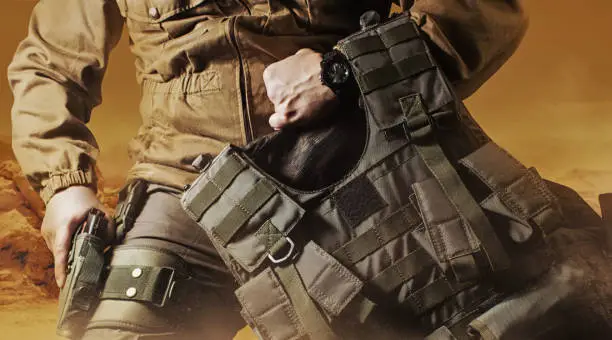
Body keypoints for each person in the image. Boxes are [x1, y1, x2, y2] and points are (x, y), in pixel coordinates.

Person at [7, 0, 545, 339]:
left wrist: (343, 72)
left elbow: (487, 9)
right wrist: (63, 184)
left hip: (357, 174)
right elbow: (48, 64)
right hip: (184, 195)